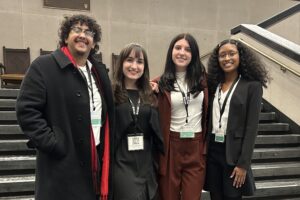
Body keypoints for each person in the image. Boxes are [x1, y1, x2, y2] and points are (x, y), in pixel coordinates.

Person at [16, 14, 115, 200]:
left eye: (88, 32)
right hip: (60, 165)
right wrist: (53, 143)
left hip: (93, 162)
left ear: (94, 42)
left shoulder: (99, 72)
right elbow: (26, 110)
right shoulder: (43, 66)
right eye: (76, 30)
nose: (82, 35)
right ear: (65, 36)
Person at [204, 39, 269, 200]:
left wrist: (243, 164)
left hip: (233, 154)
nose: (227, 58)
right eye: (222, 55)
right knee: (215, 196)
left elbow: (251, 128)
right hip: (212, 150)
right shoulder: (213, 84)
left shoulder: (252, 86)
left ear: (241, 56)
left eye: (231, 54)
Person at [153, 33, 208, 200]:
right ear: (171, 51)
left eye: (188, 49)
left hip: (196, 145)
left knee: (193, 196)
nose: (182, 52)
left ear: (194, 54)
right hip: (171, 146)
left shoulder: (203, 81)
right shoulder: (160, 83)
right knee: (169, 195)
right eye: (178, 48)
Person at [112, 43, 164, 200]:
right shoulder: (111, 92)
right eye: (129, 60)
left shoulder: (150, 94)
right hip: (121, 161)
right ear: (121, 63)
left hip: (146, 161)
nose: (134, 66)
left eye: (140, 62)